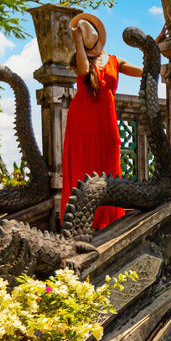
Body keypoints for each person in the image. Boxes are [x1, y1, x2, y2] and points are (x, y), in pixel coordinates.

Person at [61, 13, 147, 231]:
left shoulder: (115, 61)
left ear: (99, 36)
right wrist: (78, 41)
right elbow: (82, 70)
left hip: (105, 119)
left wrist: (154, 49)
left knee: (108, 167)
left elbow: (143, 71)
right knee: (83, 167)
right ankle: (81, 219)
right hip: (82, 119)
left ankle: (108, 219)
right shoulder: (79, 58)